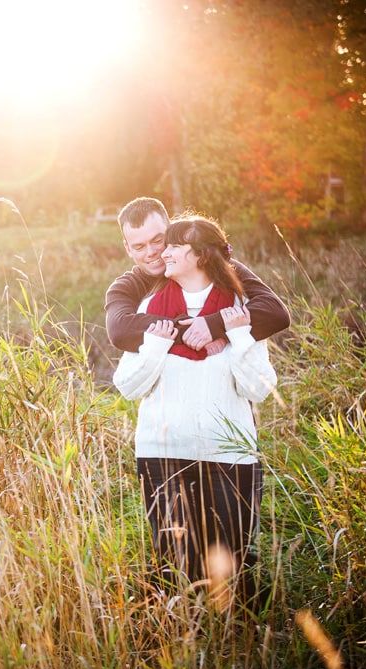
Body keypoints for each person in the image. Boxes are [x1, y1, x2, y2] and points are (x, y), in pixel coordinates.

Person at [112, 216, 278, 609]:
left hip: (229, 457)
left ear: (201, 254)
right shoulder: (148, 306)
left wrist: (233, 333)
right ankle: (177, 647)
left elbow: (258, 388)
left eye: (170, 243)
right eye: (145, 246)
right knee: (174, 565)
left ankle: (239, 649)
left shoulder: (240, 309)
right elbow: (128, 385)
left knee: (234, 563)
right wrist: (159, 342)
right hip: (163, 453)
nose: (160, 253)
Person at [105, 197, 289, 355]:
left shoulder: (216, 266)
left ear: (170, 231)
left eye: (157, 240)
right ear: (128, 248)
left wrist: (213, 325)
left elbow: (275, 312)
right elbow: (119, 330)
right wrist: (192, 331)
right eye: (139, 246)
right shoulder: (126, 287)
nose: (151, 252)